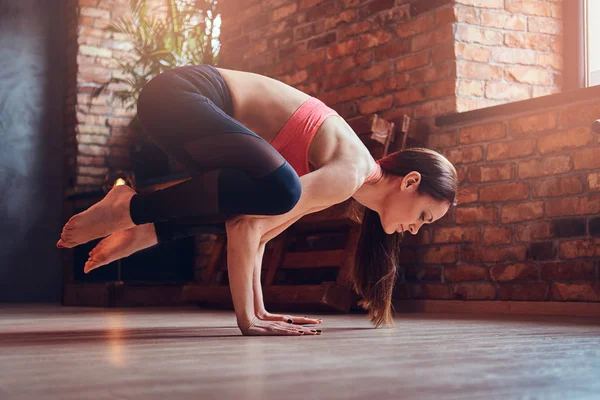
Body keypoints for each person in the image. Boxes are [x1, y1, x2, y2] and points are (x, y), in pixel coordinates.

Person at [57, 65, 458, 336]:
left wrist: (262, 311)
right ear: (409, 182)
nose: (416, 229)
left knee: (266, 197)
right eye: (423, 216)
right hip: (181, 96)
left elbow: (257, 232)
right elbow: (248, 227)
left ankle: (150, 228)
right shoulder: (350, 172)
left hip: (177, 112)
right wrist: (247, 318)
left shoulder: (346, 179)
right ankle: (129, 210)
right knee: (282, 191)